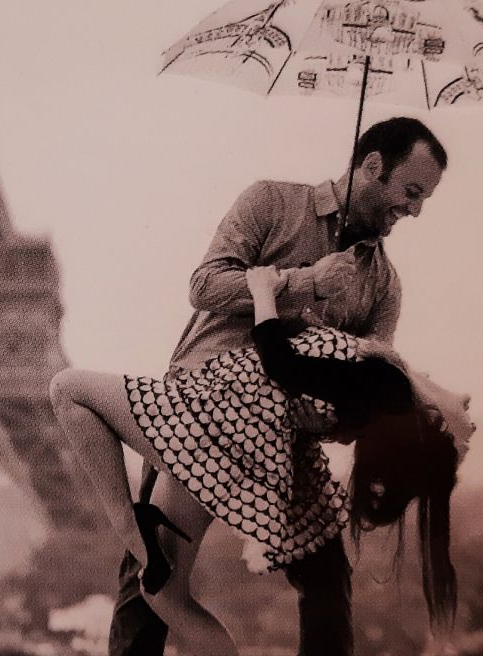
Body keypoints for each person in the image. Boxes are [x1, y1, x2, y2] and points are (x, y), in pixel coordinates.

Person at [108, 116, 448, 656]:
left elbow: (365, 400)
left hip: (289, 446)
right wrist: (305, 282)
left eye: (424, 199)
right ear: (373, 166)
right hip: (205, 415)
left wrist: (336, 423)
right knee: (155, 574)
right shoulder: (269, 202)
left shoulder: (384, 286)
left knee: (328, 580)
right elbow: (203, 285)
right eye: (411, 192)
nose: (415, 210)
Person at [49, 263, 471, 656]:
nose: (466, 405)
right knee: (162, 592)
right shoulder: (379, 397)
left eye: (461, 422)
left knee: (67, 389)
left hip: (215, 418)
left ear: (430, 420)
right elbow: (328, 401)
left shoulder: (386, 380)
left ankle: (128, 526)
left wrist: (262, 290)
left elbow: (279, 360)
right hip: (246, 449)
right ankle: (138, 533)